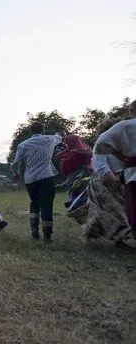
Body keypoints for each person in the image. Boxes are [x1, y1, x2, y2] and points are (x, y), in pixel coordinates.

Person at [82, 118, 133, 247]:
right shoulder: (103, 144)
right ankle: (117, 239)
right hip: (104, 181)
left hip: (121, 179)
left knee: (120, 210)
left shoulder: (123, 144)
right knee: (112, 211)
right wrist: (113, 179)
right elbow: (100, 164)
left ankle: (95, 234)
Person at [10, 122, 62, 242]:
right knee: (47, 205)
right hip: (46, 177)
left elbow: (16, 163)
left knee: (34, 202)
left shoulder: (23, 145)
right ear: (43, 130)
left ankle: (34, 230)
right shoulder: (49, 139)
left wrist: (16, 173)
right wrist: (59, 133)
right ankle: (47, 235)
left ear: (31, 130)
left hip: (30, 179)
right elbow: (59, 138)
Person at [94, 99, 136, 233]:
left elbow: (100, 147)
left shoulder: (124, 127)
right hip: (123, 175)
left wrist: (118, 155)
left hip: (130, 175)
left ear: (131, 111)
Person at [53, 134, 92, 210]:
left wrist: (63, 159)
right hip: (85, 173)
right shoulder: (83, 150)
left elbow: (67, 165)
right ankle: (75, 204)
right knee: (79, 192)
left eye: (67, 142)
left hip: (78, 175)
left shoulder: (75, 153)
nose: (66, 145)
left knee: (76, 191)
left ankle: (75, 203)